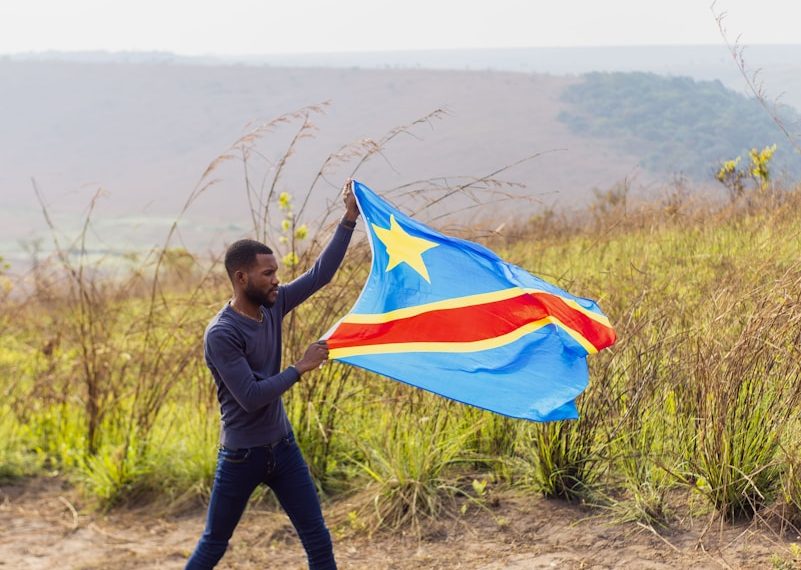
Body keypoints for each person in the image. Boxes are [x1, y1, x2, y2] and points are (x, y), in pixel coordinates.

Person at [185, 180, 360, 570]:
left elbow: (320, 275)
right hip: (241, 456)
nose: (276, 280)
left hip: (283, 448)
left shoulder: (272, 305)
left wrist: (349, 218)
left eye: (276, 272)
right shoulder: (222, 333)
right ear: (241, 278)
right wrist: (301, 367)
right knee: (214, 543)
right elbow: (250, 395)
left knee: (318, 540)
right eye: (268, 273)